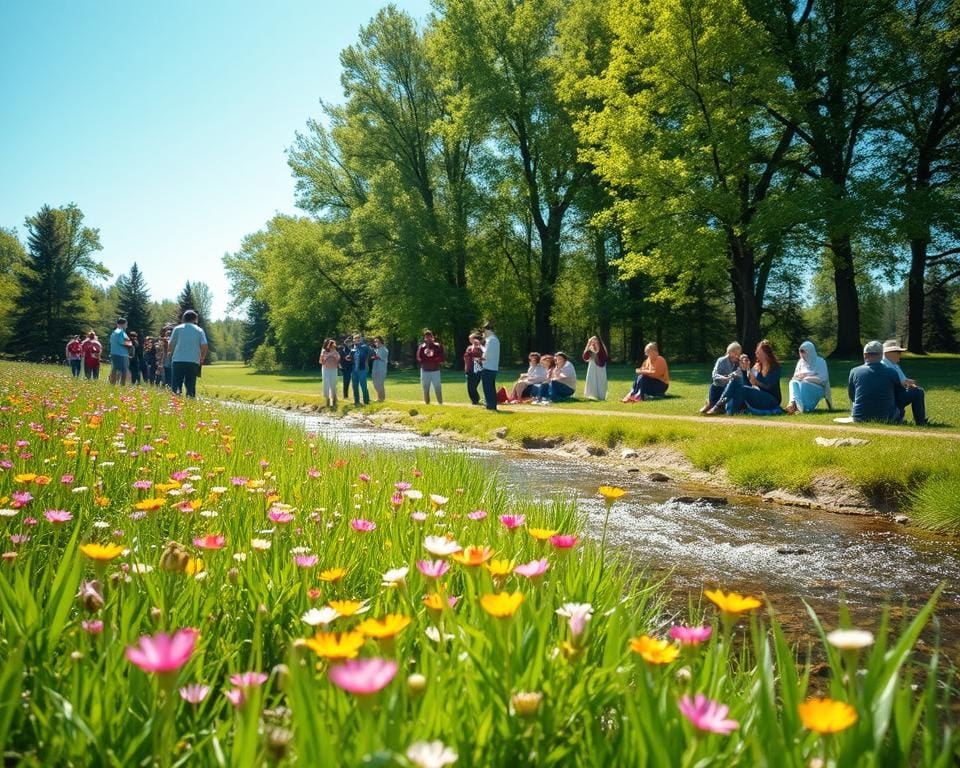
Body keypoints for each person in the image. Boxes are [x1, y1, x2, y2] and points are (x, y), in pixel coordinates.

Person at [706, 339, 782, 415]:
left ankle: (720, 406)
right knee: (736, 382)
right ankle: (728, 411)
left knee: (741, 389)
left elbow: (767, 386)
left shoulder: (774, 367)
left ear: (765, 354)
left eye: (758, 352)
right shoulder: (757, 366)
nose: (756, 353)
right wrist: (744, 370)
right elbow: (748, 384)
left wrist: (751, 375)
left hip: (772, 399)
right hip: (758, 395)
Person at [848, 340, 906, 423]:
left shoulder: (854, 371)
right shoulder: (891, 372)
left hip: (859, 417)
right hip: (887, 417)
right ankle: (917, 421)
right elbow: (900, 394)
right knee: (915, 393)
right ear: (881, 355)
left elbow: (852, 396)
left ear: (864, 355)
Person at [881, 340, 927, 425]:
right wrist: (907, 383)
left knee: (917, 391)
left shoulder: (894, 365)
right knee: (918, 392)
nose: (900, 355)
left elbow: (903, 380)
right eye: (898, 352)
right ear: (889, 353)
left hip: (895, 394)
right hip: (891, 397)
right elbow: (895, 384)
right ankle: (921, 422)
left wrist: (909, 383)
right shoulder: (885, 366)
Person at [167, 310, 208, 398]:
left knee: (176, 384)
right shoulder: (199, 330)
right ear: (195, 319)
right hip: (193, 361)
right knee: (190, 385)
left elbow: (171, 344)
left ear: (184, 318)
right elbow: (204, 345)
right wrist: (202, 358)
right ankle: (190, 403)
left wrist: (170, 353)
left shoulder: (177, 329)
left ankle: (175, 403)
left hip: (178, 360)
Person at [785, 340, 831, 414]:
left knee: (804, 384)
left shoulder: (820, 362)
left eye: (804, 352)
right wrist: (798, 377)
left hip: (817, 386)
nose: (802, 354)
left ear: (810, 352)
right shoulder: (800, 362)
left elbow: (823, 379)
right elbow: (795, 376)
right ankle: (793, 403)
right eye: (800, 352)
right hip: (801, 383)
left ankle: (801, 406)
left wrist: (806, 378)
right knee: (792, 382)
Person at [700, 342, 743, 413]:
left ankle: (717, 406)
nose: (737, 356)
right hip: (717, 388)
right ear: (730, 352)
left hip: (728, 389)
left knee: (725, 406)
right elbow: (714, 375)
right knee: (712, 405)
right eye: (735, 353)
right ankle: (711, 404)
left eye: (738, 353)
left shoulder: (738, 363)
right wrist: (724, 378)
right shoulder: (721, 360)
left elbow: (739, 376)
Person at [416, 329, 445, 404]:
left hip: (435, 370)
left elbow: (442, 358)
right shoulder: (422, 347)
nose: (428, 338)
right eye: (426, 337)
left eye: (430, 337)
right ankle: (427, 403)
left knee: (437, 387)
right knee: (425, 388)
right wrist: (427, 357)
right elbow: (419, 358)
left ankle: (440, 403)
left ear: (433, 337)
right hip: (425, 370)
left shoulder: (437, 346)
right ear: (424, 338)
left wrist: (433, 358)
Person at [480, 321, 500, 411]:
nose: (483, 334)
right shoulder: (493, 339)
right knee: (489, 387)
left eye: (483, 331)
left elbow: (487, 354)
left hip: (489, 367)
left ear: (487, 330)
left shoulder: (491, 340)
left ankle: (491, 405)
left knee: (488, 387)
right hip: (491, 366)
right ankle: (491, 404)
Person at [582, 336, 609, 400]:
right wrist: (588, 344)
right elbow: (584, 357)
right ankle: (591, 396)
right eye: (593, 342)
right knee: (591, 381)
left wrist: (597, 346)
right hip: (592, 367)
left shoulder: (602, 349)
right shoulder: (590, 349)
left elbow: (604, 357)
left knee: (601, 382)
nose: (594, 343)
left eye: (596, 341)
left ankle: (601, 396)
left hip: (600, 367)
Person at [108, 318, 132, 385]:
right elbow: (122, 342)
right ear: (123, 324)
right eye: (126, 324)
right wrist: (130, 344)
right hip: (120, 354)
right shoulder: (120, 332)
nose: (127, 326)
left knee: (115, 369)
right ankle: (121, 385)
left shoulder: (115, 332)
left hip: (116, 353)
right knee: (123, 370)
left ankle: (113, 384)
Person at [350, 334, 371, 405]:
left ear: (359, 339)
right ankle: (356, 401)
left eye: (357, 339)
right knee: (354, 386)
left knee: (363, 385)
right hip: (354, 370)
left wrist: (366, 362)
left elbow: (371, 353)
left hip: (362, 369)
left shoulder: (364, 347)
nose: (355, 340)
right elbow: (351, 357)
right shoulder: (353, 348)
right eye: (354, 339)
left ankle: (366, 401)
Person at [463, 333, 484, 405]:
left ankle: (476, 400)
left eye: (471, 338)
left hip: (477, 368)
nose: (469, 340)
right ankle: (474, 400)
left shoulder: (480, 347)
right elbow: (466, 358)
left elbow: (482, 358)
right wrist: (466, 369)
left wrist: (474, 358)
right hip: (469, 368)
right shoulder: (469, 347)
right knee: (470, 386)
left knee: (473, 386)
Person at [319, 338, 340, 408]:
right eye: (331, 344)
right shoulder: (324, 351)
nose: (333, 345)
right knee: (326, 383)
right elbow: (320, 361)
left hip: (333, 369)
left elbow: (338, 360)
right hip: (326, 369)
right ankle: (327, 399)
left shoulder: (335, 352)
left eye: (333, 344)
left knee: (333, 383)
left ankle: (334, 398)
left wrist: (334, 359)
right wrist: (326, 359)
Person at [371, 336, 389, 402]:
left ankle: (381, 398)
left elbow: (379, 357)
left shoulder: (384, 349)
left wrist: (372, 357)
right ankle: (380, 397)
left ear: (381, 341)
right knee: (375, 384)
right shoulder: (376, 349)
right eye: (375, 341)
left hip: (381, 369)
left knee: (379, 384)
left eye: (377, 341)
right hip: (375, 369)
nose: (376, 343)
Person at [338, 336, 354, 400]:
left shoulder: (353, 349)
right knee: (346, 382)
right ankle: (345, 396)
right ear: (345, 343)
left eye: (350, 343)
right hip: (345, 368)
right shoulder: (342, 350)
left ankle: (355, 395)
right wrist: (341, 366)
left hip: (353, 367)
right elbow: (340, 359)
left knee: (354, 382)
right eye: (348, 343)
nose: (349, 344)